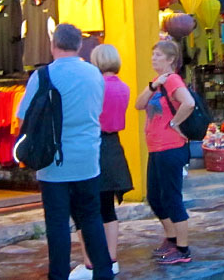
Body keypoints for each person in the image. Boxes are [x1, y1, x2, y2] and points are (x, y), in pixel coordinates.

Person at [16, 24, 114, 280]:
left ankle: (58, 275)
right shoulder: (94, 74)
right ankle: (104, 272)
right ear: (79, 45)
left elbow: (23, 117)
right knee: (91, 217)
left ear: (53, 45)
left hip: (53, 160)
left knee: (57, 223)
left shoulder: (43, 75)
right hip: (87, 158)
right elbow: (97, 110)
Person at [69, 44, 133, 279]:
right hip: (114, 145)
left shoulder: (95, 85)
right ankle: (111, 258)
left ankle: (90, 263)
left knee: (83, 207)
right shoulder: (124, 87)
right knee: (107, 207)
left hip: (93, 144)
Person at [134, 40, 195, 264]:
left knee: (171, 198)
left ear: (170, 59)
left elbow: (188, 103)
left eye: (158, 55)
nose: (153, 58)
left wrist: (174, 123)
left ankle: (183, 249)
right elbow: (138, 104)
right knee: (155, 197)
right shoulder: (159, 82)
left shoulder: (173, 80)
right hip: (156, 148)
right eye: (153, 54)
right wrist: (153, 86)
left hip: (170, 147)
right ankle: (171, 238)